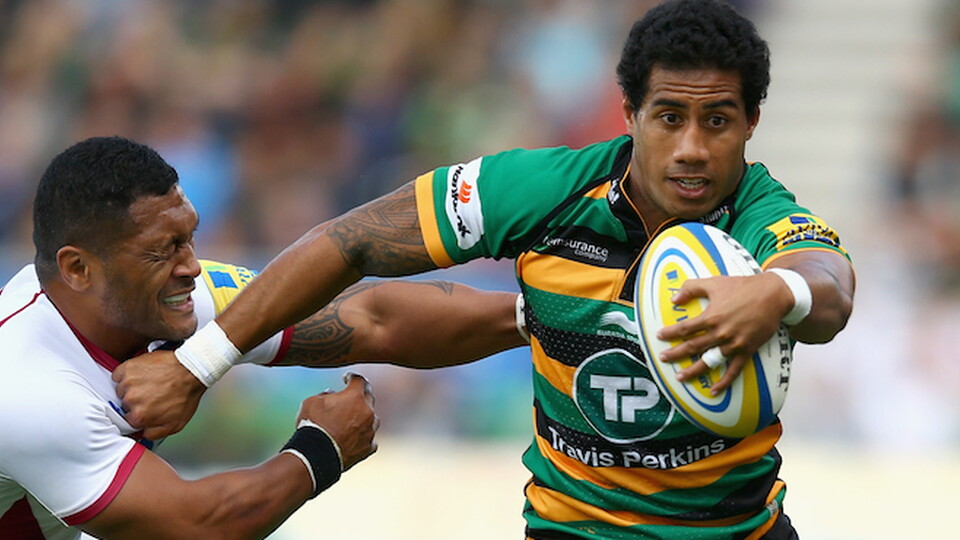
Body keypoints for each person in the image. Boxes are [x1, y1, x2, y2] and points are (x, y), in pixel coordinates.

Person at [117, 1, 856, 538]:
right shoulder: (538, 190)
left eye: (717, 121)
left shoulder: (759, 216)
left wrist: (778, 291)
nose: (691, 147)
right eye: (670, 117)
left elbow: (829, 284)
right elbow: (352, 242)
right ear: (629, 112)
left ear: (751, 123)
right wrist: (198, 366)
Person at [0, 135, 523, 539]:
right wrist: (320, 449)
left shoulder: (163, 300)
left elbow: (371, 318)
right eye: (162, 250)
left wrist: (534, 316)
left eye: (189, 238)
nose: (191, 267)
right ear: (79, 269)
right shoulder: (26, 387)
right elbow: (199, 526)